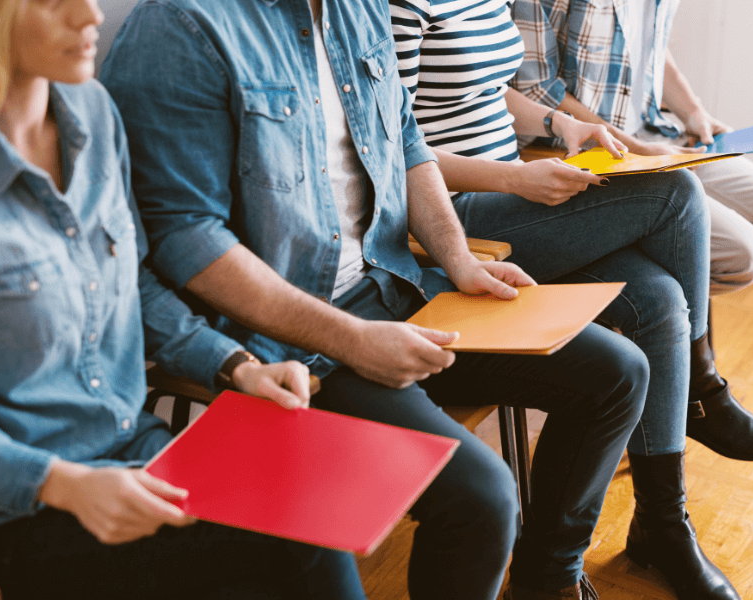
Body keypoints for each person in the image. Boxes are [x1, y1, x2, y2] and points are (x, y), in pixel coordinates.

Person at [100, 0, 651, 599]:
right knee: (481, 499)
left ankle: (547, 582)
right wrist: (351, 340)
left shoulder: (356, 8)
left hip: (393, 284)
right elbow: (185, 239)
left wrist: (459, 259)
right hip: (293, 342)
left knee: (617, 374)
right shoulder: (181, 27)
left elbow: (406, 140)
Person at [388, 0, 753, 598]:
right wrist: (515, 179)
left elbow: (488, 88)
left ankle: (660, 525)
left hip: (508, 181)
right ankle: (704, 393)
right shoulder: (396, 8)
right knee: (674, 191)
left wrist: (560, 127)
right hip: (452, 211)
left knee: (659, 298)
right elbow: (393, 146)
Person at [0, 0, 368, 598]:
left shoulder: (92, 112)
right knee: (302, 553)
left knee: (310, 517)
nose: (90, 15)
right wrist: (61, 484)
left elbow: (130, 285)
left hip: (130, 449)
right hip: (12, 504)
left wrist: (234, 364)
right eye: (54, 2)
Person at [511, 0, 753, 297]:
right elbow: (537, 88)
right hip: (579, 151)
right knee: (742, 257)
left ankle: (655, 297)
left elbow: (654, 48)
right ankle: (650, 309)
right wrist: (633, 148)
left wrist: (694, 113)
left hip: (653, 134)